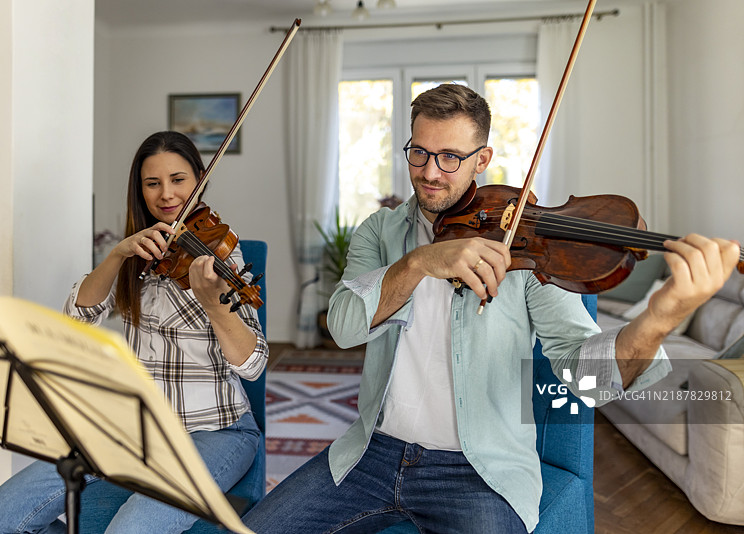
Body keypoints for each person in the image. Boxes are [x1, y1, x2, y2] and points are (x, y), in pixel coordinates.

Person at [242, 84, 741, 533]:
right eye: (419, 152)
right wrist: (420, 262)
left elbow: (588, 382)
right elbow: (346, 328)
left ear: (483, 159)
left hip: (477, 471)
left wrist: (659, 318)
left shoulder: (527, 245)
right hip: (370, 452)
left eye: (451, 157)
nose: (430, 172)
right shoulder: (381, 231)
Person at [0, 131, 268, 534]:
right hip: (135, 427)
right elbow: (76, 318)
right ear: (140, 190)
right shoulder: (138, 254)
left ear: (200, 179)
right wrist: (117, 254)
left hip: (216, 431)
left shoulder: (221, 254)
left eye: (179, 179)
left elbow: (253, 365)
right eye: (153, 183)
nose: (166, 194)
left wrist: (216, 304)